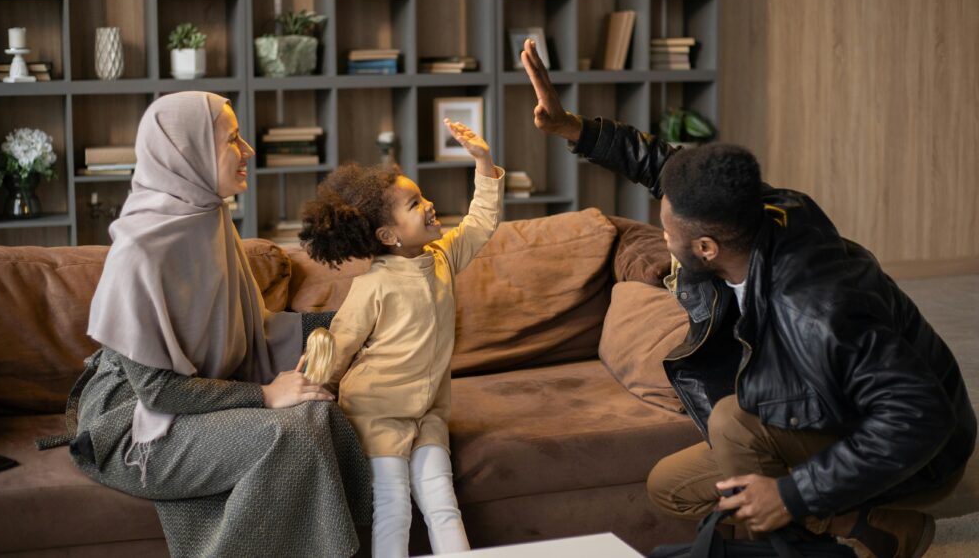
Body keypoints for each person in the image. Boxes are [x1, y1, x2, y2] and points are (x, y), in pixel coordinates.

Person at [520, 39, 976, 558]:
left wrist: (792, 494)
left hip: (922, 457)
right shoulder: (752, 211)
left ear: (706, 248)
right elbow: (666, 167)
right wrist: (572, 128)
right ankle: (870, 525)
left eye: (668, 231)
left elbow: (921, 417)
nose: (661, 235)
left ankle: (828, 536)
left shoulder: (817, 310)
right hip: (824, 409)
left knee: (733, 424)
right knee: (672, 487)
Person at [65, 91, 373, 557]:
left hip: (186, 404)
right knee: (288, 432)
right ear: (186, 151)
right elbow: (158, 392)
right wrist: (264, 395)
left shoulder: (210, 219)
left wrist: (354, 319)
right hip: (136, 422)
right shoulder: (139, 250)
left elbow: (252, 331)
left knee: (319, 412)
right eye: (232, 139)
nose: (248, 150)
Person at [299, 120, 505, 558]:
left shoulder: (442, 257)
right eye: (415, 204)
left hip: (428, 412)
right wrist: (311, 396)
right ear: (388, 236)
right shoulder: (373, 284)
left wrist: (483, 161)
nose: (429, 205)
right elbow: (340, 345)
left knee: (443, 507)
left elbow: (481, 221)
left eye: (423, 197)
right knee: (394, 511)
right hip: (376, 413)